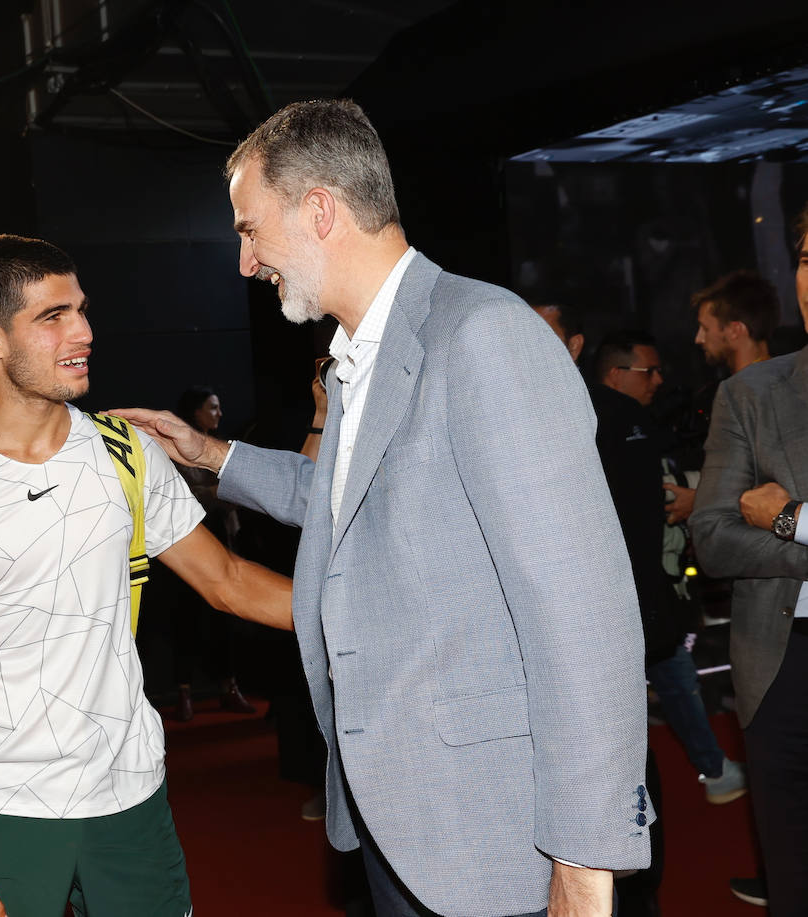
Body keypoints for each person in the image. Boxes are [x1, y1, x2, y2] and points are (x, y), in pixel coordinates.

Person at [116, 99, 650, 917]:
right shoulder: (353, 361)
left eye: (250, 229)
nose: (244, 262)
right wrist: (210, 453)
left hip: (497, 837)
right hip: (398, 819)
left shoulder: (483, 337)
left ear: (320, 210)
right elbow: (351, 501)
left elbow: (585, 615)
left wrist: (584, 857)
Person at [0, 234, 293, 917]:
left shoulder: (125, 457)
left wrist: (352, 609)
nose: (84, 331)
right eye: (52, 315)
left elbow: (229, 580)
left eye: (82, 309)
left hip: (130, 798)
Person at [689, 203, 808, 916]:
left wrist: (791, 519)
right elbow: (714, 535)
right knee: (793, 874)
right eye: (804, 258)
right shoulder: (752, 394)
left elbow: (762, 527)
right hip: (780, 665)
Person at [164, 385, 257, 720]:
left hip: (222, 536)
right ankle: (184, 693)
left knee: (225, 620)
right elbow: (184, 496)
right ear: (195, 411)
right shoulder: (175, 446)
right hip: (185, 543)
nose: (219, 414)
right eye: (213, 407)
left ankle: (229, 686)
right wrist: (224, 489)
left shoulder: (222, 446)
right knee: (186, 621)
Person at [663, 270, 782, 523]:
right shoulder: (734, 391)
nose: (699, 338)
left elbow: (775, 481)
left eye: (705, 328)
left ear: (735, 330)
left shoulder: (767, 394)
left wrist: (701, 502)